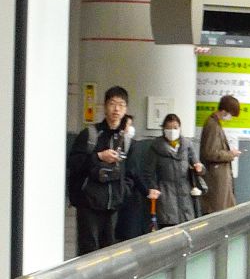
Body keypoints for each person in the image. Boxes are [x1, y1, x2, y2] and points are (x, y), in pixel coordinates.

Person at [67, 84, 136, 253]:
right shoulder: (90, 135)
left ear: (126, 109)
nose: (116, 109)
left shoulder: (126, 141)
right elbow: (74, 163)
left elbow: (132, 172)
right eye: (112, 103)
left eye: (121, 105)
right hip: (89, 204)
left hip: (113, 205)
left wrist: (123, 191)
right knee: (88, 251)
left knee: (110, 253)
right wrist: (99, 156)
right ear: (105, 107)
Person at [144, 112, 205, 228]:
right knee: (168, 230)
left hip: (186, 195)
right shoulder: (156, 147)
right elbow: (149, 172)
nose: (172, 131)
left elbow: (199, 166)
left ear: (180, 128)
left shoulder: (187, 145)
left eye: (175, 128)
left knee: (188, 228)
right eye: (168, 128)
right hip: (166, 195)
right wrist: (153, 188)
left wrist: (199, 169)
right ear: (163, 129)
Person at [199, 92, 241, 213]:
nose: (230, 117)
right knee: (217, 212)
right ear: (224, 111)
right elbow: (210, 152)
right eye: (231, 114)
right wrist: (230, 155)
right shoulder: (212, 125)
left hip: (217, 178)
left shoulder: (214, 124)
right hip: (215, 180)